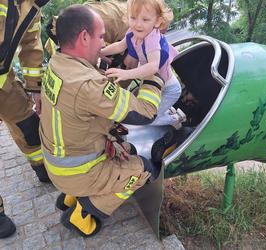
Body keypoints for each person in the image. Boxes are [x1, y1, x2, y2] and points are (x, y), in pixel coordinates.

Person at [39, 4, 164, 237]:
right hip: (76, 170)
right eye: (101, 37)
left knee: (126, 148)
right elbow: (146, 112)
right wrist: (155, 76)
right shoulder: (87, 85)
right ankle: (83, 212)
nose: (104, 44)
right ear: (84, 37)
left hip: (60, 159)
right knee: (142, 170)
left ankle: (71, 195)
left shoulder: (58, 61)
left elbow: (83, 111)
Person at [101, 0, 186, 128]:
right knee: (150, 109)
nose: (138, 24)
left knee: (148, 120)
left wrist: (126, 74)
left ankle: (175, 118)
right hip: (153, 84)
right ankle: (164, 110)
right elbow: (120, 45)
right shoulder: (132, 32)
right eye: (133, 18)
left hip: (168, 89)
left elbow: (152, 67)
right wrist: (100, 52)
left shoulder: (152, 40)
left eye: (145, 20)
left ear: (157, 21)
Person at [0, 0, 51, 183]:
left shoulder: (32, 5)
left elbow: (31, 46)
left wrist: (36, 89)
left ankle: (42, 168)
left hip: (4, 83)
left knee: (28, 125)